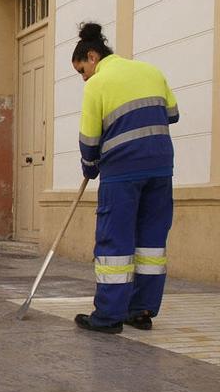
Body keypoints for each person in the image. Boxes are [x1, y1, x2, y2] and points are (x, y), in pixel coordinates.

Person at [70, 23, 177, 334]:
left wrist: (90, 166)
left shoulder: (97, 84)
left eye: (81, 70)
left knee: (114, 244)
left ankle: (108, 316)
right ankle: (141, 311)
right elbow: (172, 114)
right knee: (151, 244)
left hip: (122, 173)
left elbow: (89, 139)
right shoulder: (152, 72)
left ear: (92, 57)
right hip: (160, 168)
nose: (84, 78)